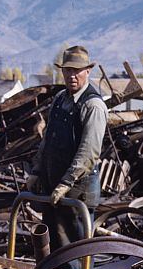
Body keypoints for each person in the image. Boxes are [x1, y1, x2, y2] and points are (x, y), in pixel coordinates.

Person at [26, 45, 107, 252]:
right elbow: (48, 140)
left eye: (77, 70)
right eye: (68, 70)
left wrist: (66, 183)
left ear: (88, 71)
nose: (72, 75)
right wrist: (36, 172)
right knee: (54, 248)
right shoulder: (61, 99)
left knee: (74, 252)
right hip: (54, 187)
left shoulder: (93, 106)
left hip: (77, 193)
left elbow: (89, 152)